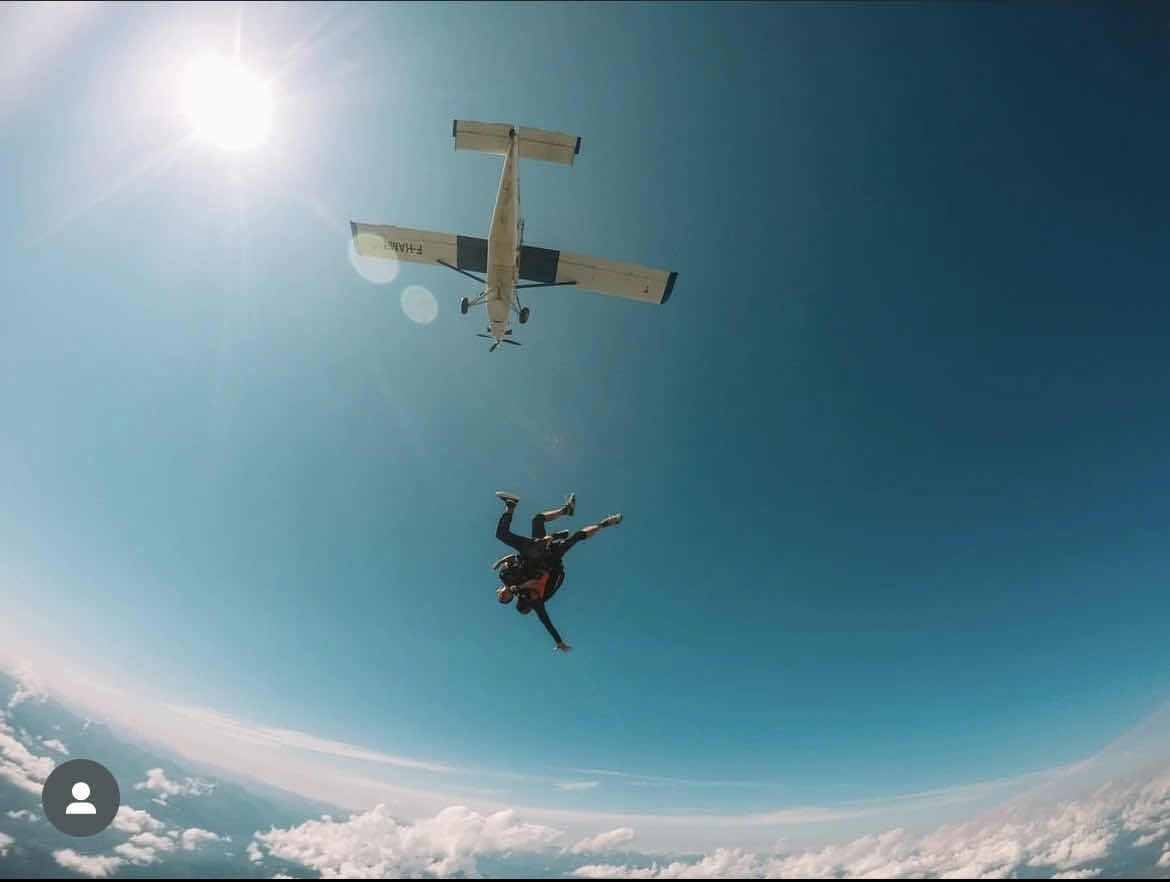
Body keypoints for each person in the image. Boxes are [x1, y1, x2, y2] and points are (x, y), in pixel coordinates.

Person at [493, 491, 622, 651]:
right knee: (574, 538)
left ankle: (565, 511)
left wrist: (502, 560)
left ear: (499, 590)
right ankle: (603, 524)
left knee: (535, 520)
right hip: (548, 562)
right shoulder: (525, 595)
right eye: (505, 598)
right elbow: (545, 620)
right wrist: (559, 641)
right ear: (511, 598)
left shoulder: (505, 577)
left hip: (534, 551)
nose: (503, 595)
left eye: (501, 596)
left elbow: (515, 559)